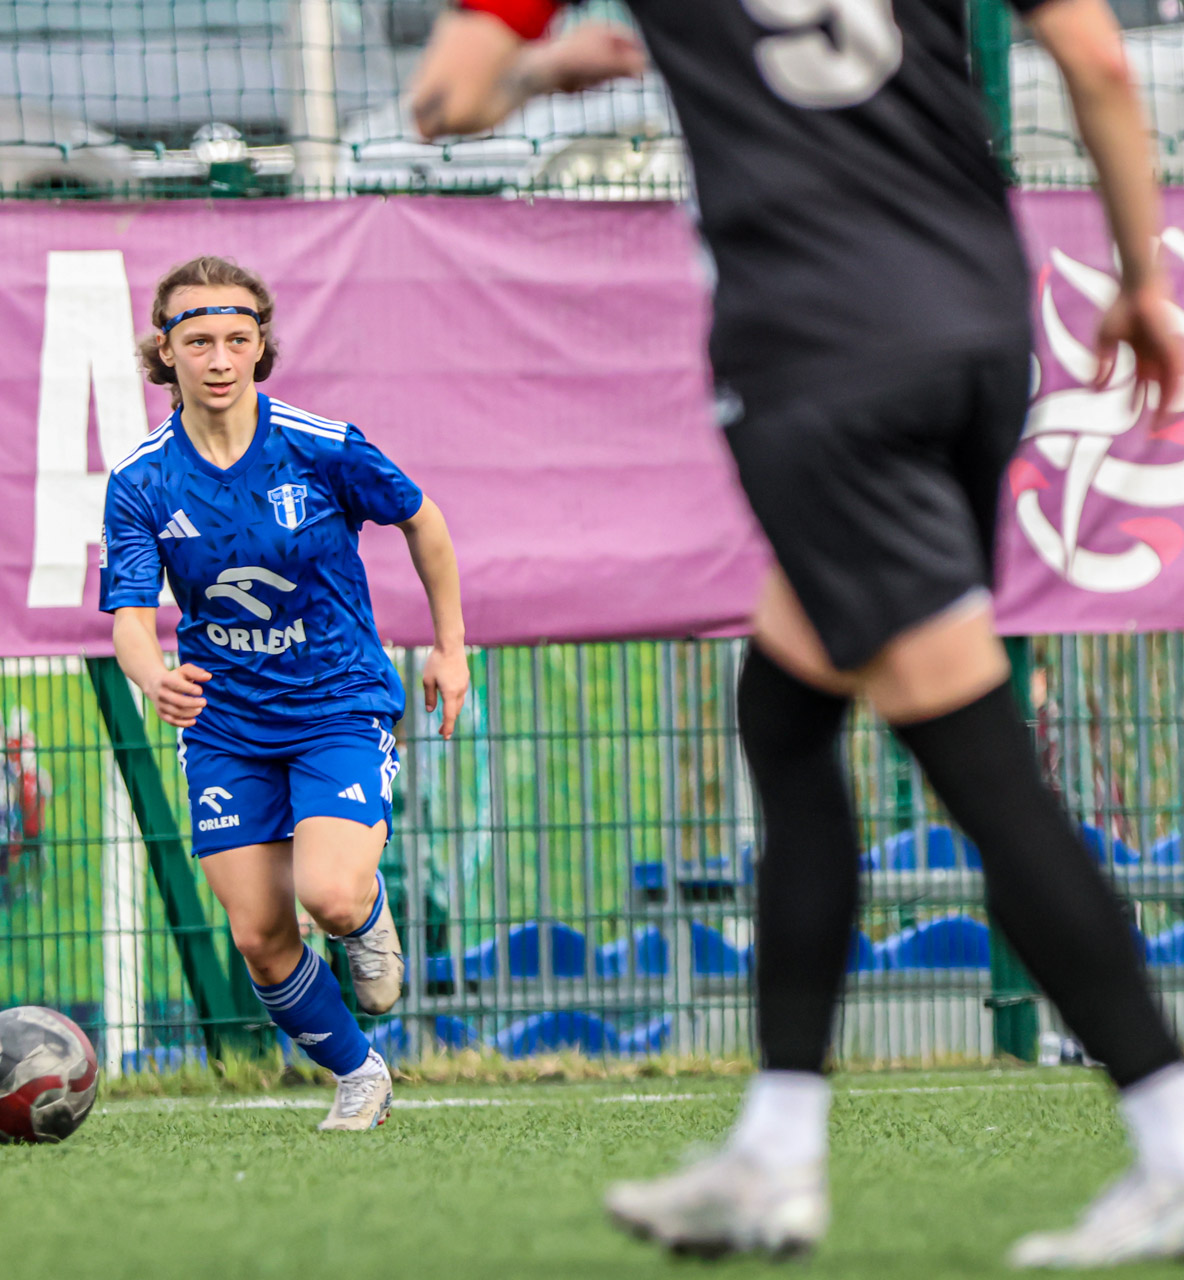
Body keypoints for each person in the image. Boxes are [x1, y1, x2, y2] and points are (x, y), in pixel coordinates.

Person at [411, 0, 1184, 1265]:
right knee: (784, 709)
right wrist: (1143, 282)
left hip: (824, 360)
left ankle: (1169, 1131)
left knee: (978, 761)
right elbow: (1099, 57)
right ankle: (776, 1144)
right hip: (981, 331)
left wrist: (547, 70)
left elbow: (445, 101)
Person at [101, 256, 470, 1132]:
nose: (220, 358)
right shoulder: (142, 481)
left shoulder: (321, 445)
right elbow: (129, 620)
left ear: (261, 345)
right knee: (260, 938)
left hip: (337, 701)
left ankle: (364, 916)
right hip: (225, 724)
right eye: (199, 341)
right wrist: (154, 676)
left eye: (238, 339)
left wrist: (450, 648)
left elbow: (423, 520)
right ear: (166, 352)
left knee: (329, 894)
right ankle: (359, 1074)